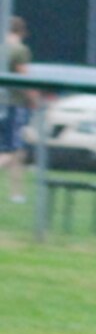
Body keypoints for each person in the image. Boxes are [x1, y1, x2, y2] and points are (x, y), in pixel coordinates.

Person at [1, 16, 32, 204]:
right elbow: (24, 79)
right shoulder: (20, 50)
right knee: (10, 150)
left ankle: (16, 193)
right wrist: (35, 98)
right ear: (22, 32)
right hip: (13, 104)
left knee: (18, 152)